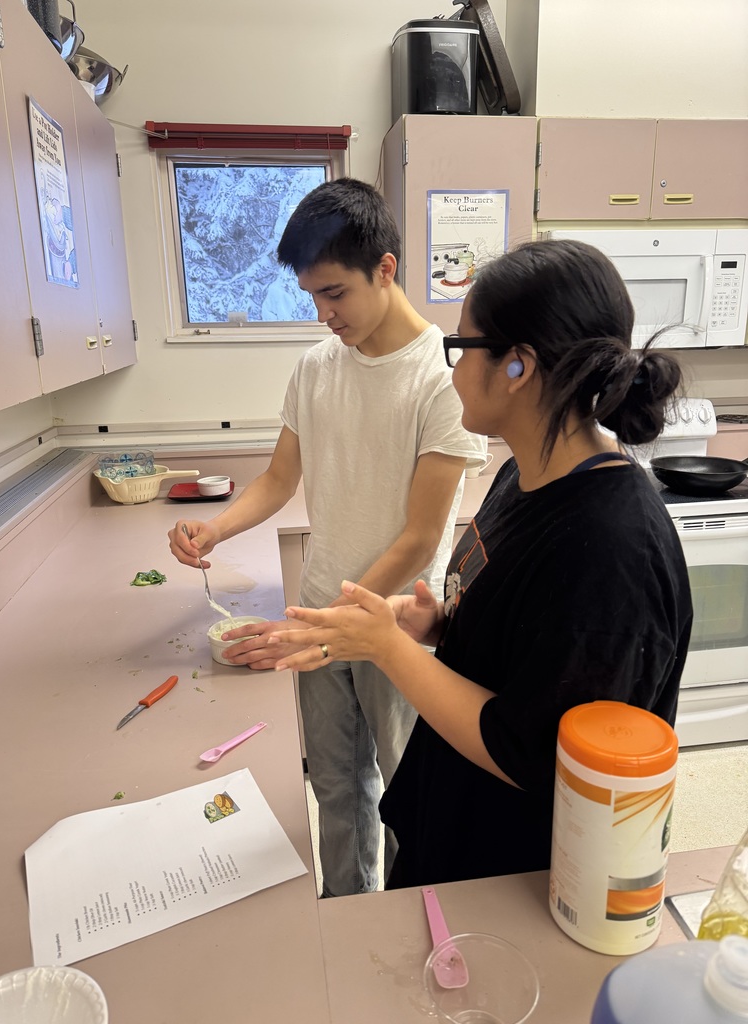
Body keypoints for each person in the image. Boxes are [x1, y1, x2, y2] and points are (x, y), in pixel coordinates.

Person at [268, 237, 694, 889]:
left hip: (511, 884)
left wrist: (387, 647)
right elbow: (528, 644)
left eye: (462, 348)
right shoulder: (522, 477)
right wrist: (443, 623)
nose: (453, 370)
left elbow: (529, 749)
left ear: (518, 366)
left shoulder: (614, 550)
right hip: (454, 829)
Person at [168, 178, 487, 896]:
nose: (324, 314)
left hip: (391, 624)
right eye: (312, 296)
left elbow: (419, 538)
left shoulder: (443, 379)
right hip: (319, 612)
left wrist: (328, 625)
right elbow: (279, 480)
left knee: (404, 788)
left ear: (385, 268)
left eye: (335, 293)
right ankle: (347, 908)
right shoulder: (316, 367)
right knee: (337, 787)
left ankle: (408, 915)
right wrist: (213, 528)